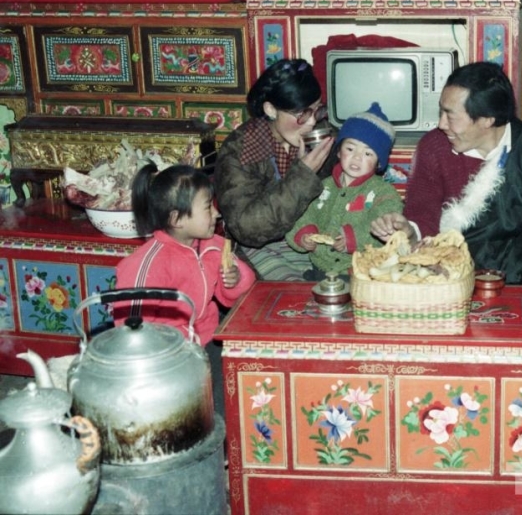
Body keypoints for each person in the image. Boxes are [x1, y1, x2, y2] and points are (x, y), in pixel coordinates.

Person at [370, 61, 522, 284]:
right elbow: (423, 214)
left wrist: (504, 277)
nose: (441, 124)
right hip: (447, 276)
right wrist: (409, 232)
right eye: (441, 111)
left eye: (450, 116)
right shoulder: (433, 146)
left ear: (487, 119)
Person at [113, 163, 256, 416]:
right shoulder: (148, 264)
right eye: (207, 207)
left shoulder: (212, 245)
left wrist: (234, 279)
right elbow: (131, 327)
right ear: (176, 219)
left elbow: (232, 296)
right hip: (168, 358)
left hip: (208, 341)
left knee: (240, 386)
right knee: (193, 410)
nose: (216, 213)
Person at [214, 58, 337, 281]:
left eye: (316, 110)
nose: (311, 122)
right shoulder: (240, 150)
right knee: (298, 290)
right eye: (302, 115)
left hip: (311, 237)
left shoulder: (318, 132)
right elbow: (247, 229)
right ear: (271, 109)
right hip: (262, 248)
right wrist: (303, 175)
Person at [286, 102, 403, 280]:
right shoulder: (321, 186)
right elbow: (302, 214)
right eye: (350, 148)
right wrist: (304, 234)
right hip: (320, 267)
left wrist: (354, 238)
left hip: (360, 272)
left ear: (379, 162)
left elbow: (386, 226)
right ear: (339, 152)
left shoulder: (383, 193)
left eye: (368, 153)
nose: (357, 157)